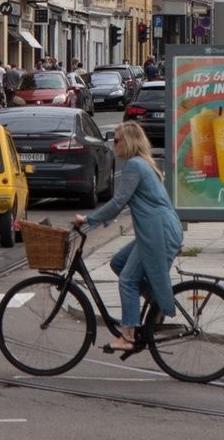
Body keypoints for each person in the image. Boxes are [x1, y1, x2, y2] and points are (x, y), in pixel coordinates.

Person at [73, 121, 182, 359]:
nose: (113, 145)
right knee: (118, 263)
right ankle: (155, 302)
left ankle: (128, 337)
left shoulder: (134, 165)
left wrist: (89, 219)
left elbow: (118, 202)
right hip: (158, 230)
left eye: (117, 141)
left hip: (158, 232)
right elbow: (122, 204)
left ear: (129, 142)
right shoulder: (143, 164)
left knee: (127, 280)